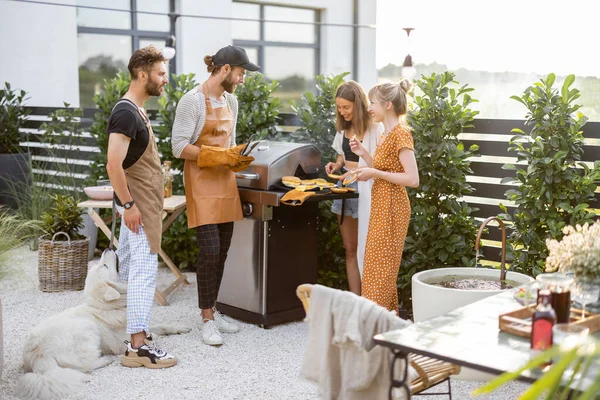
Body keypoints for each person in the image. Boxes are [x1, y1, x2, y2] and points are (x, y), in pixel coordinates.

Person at [171, 45, 258, 346]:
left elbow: (229, 143)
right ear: (225, 70)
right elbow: (179, 147)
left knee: (221, 252)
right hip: (201, 182)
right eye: (241, 73)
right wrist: (217, 156)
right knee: (208, 252)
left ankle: (215, 309)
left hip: (225, 183)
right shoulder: (192, 101)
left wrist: (237, 157)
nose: (242, 79)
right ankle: (206, 319)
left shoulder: (231, 101)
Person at [106, 45, 177, 368]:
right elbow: (113, 165)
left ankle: (138, 338)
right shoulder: (125, 112)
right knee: (143, 275)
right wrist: (130, 205)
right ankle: (138, 348)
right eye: (161, 74)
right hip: (140, 208)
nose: (166, 80)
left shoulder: (137, 110)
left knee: (138, 271)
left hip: (144, 205)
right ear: (142, 73)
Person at [350, 79, 420, 312]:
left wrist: (374, 171)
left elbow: (412, 179)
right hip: (382, 205)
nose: (369, 107)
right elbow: (386, 170)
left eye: (373, 103)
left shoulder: (401, 134)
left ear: (388, 105)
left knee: (381, 268)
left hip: (392, 206)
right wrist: (364, 155)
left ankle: (374, 324)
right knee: (375, 266)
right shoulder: (386, 133)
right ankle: (385, 325)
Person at [325, 81, 383, 295]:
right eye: (339, 107)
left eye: (346, 107)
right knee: (350, 249)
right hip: (345, 188)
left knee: (367, 249)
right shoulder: (343, 130)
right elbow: (342, 155)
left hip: (367, 188)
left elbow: (380, 164)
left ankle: (370, 299)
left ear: (358, 105)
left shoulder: (375, 128)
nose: (342, 112)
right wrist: (336, 165)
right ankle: (356, 300)